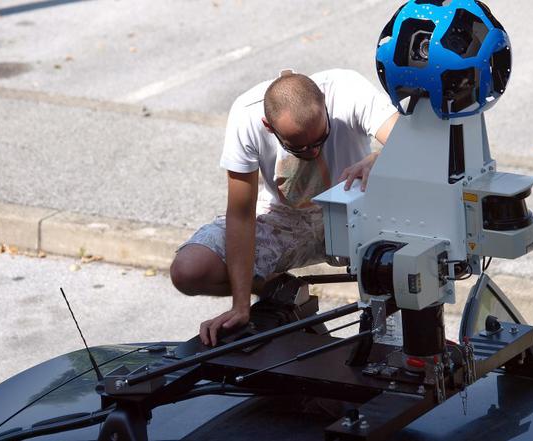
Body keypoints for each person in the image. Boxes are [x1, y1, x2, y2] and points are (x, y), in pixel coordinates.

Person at [170, 69, 398, 346]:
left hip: (351, 206)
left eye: (320, 140)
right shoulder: (246, 114)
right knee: (189, 270)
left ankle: (397, 340)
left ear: (325, 106)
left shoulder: (347, 89)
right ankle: (280, 289)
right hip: (285, 218)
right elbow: (241, 215)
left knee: (403, 264)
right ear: (269, 126)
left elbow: (408, 140)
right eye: (299, 148)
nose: (313, 152)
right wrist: (240, 305)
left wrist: (378, 158)